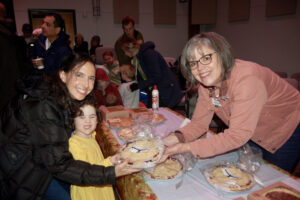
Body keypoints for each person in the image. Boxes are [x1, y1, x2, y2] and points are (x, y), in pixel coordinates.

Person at [0, 53, 140, 200]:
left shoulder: (62, 95)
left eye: (91, 78)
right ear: (63, 75)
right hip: (20, 173)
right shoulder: (44, 106)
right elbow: (60, 165)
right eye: (79, 75)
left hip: (42, 161)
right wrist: (111, 172)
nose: (86, 84)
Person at [162, 32, 300, 173]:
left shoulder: (248, 80)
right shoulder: (207, 87)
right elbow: (199, 124)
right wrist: (166, 142)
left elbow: (237, 135)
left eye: (206, 58)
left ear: (222, 55)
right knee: (250, 172)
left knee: (271, 178)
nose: (200, 68)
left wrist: (185, 148)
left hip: (287, 129)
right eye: (193, 63)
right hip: (251, 128)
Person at [69, 97, 118, 200]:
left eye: (92, 117)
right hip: (88, 193)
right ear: (73, 120)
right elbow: (86, 172)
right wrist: (110, 161)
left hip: (100, 185)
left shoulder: (91, 136)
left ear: (97, 119)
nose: (88, 121)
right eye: (82, 117)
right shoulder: (74, 144)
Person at [122, 38, 183, 108]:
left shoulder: (149, 54)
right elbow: (142, 76)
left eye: (125, 51)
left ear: (130, 49)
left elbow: (157, 77)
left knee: (161, 114)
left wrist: (138, 85)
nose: (125, 54)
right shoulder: (137, 58)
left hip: (166, 89)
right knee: (153, 113)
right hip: (155, 89)